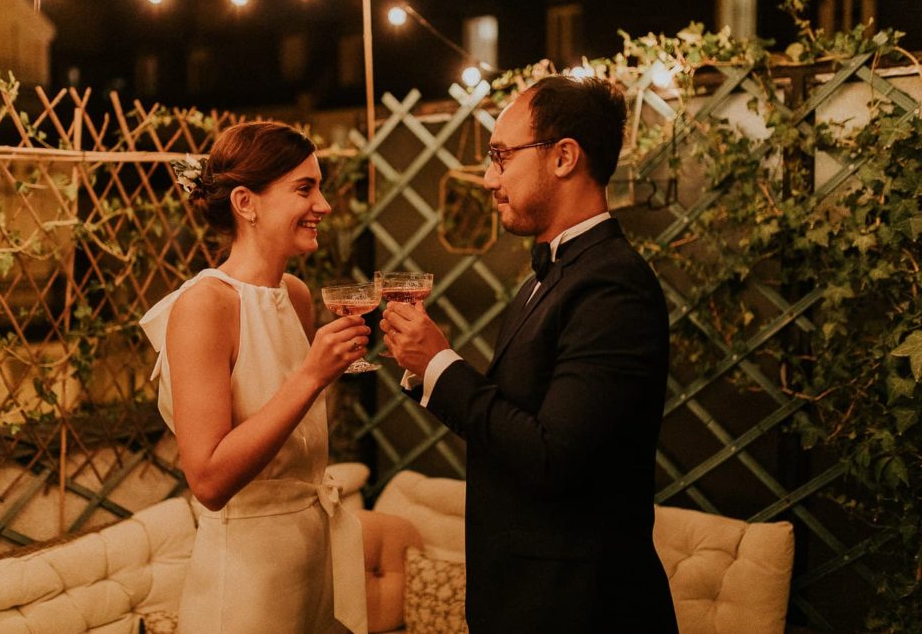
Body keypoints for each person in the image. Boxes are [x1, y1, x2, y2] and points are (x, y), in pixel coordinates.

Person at [380, 75, 678, 632]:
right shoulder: (552, 272)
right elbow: (510, 424)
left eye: (500, 156)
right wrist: (426, 367)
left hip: (580, 608)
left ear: (564, 156)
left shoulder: (613, 284)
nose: (490, 178)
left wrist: (441, 366)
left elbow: (551, 455)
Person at [139, 121, 369, 634]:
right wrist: (311, 375)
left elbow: (292, 427)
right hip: (244, 583)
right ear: (246, 203)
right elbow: (209, 480)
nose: (324, 205)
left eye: (320, 186)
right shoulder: (205, 305)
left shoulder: (297, 294)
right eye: (305, 188)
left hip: (312, 557)